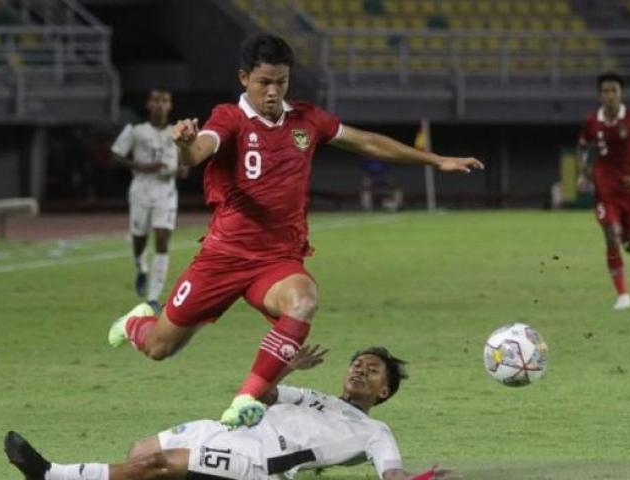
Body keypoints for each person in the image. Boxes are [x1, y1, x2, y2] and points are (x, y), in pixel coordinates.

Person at [108, 34, 484, 428]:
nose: (272, 92)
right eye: (263, 83)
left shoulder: (307, 121)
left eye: (281, 82)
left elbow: (368, 142)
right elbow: (199, 151)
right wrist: (184, 146)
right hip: (223, 257)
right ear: (244, 78)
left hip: (277, 260)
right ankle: (136, 322)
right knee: (159, 348)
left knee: (303, 300)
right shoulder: (229, 118)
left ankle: (245, 399)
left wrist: (436, 161)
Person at [4, 345, 458, 480]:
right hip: (226, 431)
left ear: (384, 391)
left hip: (261, 462)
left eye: (372, 370)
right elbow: (259, 397)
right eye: (357, 364)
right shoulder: (312, 396)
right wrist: (285, 367)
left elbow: (391, 475)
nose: (360, 370)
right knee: (141, 451)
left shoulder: (376, 430)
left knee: (153, 467)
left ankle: (51, 475)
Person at [112, 88, 188, 309]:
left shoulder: (177, 132)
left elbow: (185, 160)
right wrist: (140, 166)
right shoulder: (136, 131)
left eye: (165, 100)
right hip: (142, 189)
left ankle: (153, 297)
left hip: (166, 191)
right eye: (156, 100)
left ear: (170, 105)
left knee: (163, 239)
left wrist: (183, 168)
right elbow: (116, 154)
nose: (160, 105)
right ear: (148, 104)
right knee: (139, 240)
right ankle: (141, 267)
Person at [577, 72, 630, 310]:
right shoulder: (592, 122)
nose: (609, 95)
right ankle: (623, 295)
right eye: (605, 91)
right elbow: (583, 147)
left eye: (613, 91)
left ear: (621, 93)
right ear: (600, 94)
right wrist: (583, 175)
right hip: (605, 188)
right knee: (611, 236)